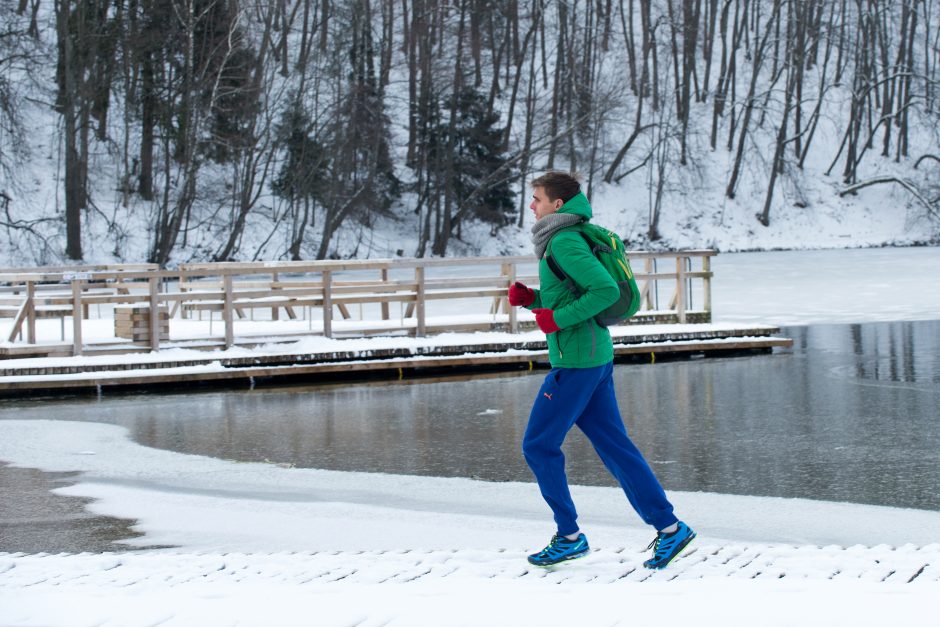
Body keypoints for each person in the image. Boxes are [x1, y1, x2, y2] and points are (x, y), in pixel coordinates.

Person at [509, 171, 694, 569]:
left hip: (576, 363)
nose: (532, 206)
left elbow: (606, 291)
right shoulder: (567, 237)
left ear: (557, 205)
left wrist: (556, 320)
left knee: (538, 446)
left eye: (537, 199)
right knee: (615, 447)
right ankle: (670, 528)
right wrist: (533, 299)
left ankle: (570, 536)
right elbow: (574, 291)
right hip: (594, 358)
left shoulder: (563, 240)